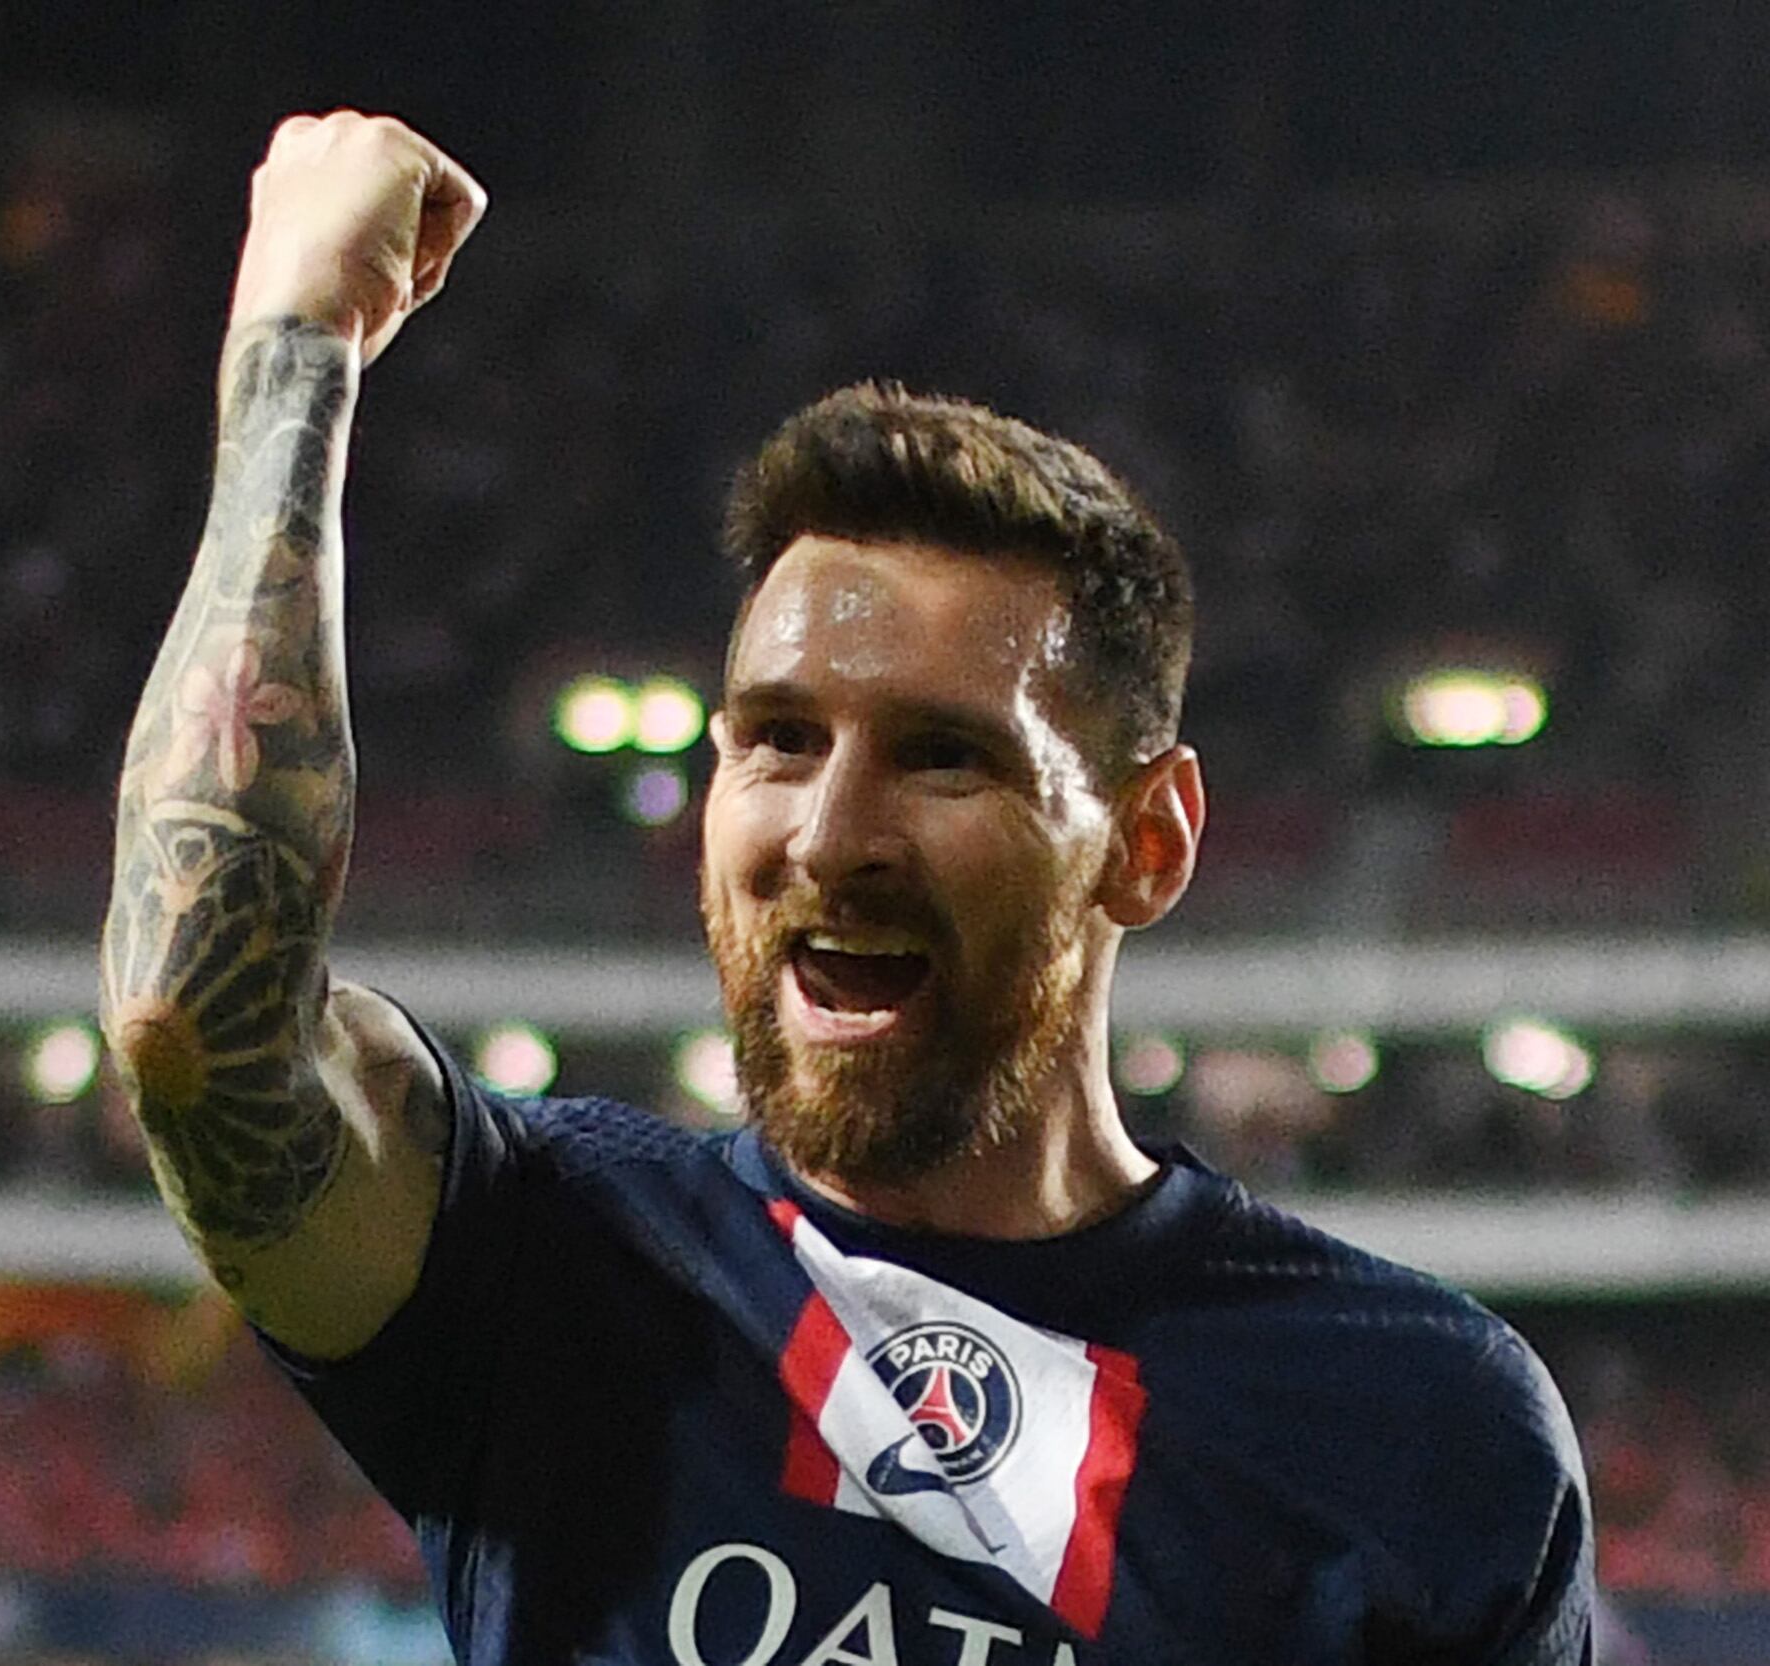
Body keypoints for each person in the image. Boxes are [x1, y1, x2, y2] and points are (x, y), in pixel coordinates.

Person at [100, 111, 1595, 1665]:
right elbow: (195, 1018)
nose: (829, 832)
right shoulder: (556, 1267)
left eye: (944, 758)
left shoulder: (1423, 1428)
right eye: (780, 739)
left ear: (1148, 842)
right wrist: (296, 348)